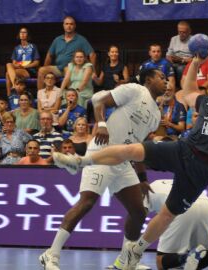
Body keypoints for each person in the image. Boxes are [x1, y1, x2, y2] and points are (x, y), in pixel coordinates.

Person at [51, 54, 208, 269]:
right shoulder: (206, 101)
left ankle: (136, 251)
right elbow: (188, 89)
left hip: (204, 167)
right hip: (184, 149)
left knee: (168, 214)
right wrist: (196, 63)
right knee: (132, 149)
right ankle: (80, 162)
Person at [39, 68, 167, 270]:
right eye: (161, 78)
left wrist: (142, 178)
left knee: (138, 212)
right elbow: (100, 102)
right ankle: (51, 254)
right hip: (102, 151)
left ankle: (126, 261)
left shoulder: (156, 114)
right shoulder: (134, 90)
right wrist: (101, 124)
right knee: (87, 202)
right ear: (149, 80)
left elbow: (139, 147)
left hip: (123, 162)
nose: (166, 82)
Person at [110, 179, 208, 270]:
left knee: (161, 262)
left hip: (181, 208)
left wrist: (131, 250)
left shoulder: (142, 193)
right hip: (207, 205)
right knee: (202, 250)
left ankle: (186, 257)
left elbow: (137, 218)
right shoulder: (161, 183)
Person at [37, 16, 95, 90]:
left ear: (74, 26)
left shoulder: (81, 40)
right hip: (58, 68)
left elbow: (92, 55)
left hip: (72, 68)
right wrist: (47, 69)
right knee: (41, 70)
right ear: (63, 25)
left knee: (67, 70)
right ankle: (41, 96)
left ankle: (71, 97)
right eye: (66, 24)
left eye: (71, 24)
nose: (69, 26)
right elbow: (49, 55)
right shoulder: (57, 40)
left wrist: (93, 71)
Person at [6, 27, 40, 95]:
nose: (22, 34)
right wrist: (17, 65)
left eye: (24, 32)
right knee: (8, 64)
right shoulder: (16, 48)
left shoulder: (33, 46)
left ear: (28, 35)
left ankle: (10, 93)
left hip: (29, 70)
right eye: (21, 32)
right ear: (19, 35)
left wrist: (25, 66)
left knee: (7, 74)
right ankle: (12, 88)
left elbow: (37, 63)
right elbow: (13, 63)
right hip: (19, 68)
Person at [166, 21, 193, 86]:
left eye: (184, 32)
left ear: (189, 31)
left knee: (180, 68)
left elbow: (196, 58)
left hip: (187, 64)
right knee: (166, 66)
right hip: (174, 62)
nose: (181, 34)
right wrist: (170, 60)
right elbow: (168, 54)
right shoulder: (174, 39)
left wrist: (182, 60)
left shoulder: (193, 40)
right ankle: (169, 88)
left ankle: (181, 88)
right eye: (179, 32)